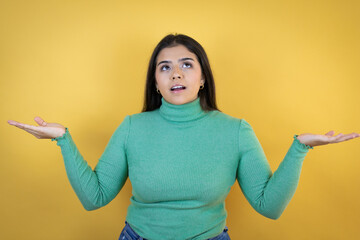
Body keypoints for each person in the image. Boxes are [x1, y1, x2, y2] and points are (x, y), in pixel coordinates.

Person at [8, 34, 359, 240]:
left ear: (202, 77)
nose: (176, 73)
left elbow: (269, 207)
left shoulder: (236, 130)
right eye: (165, 67)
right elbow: (94, 197)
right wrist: (63, 140)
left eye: (187, 64)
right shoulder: (133, 126)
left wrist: (300, 149)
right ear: (157, 82)